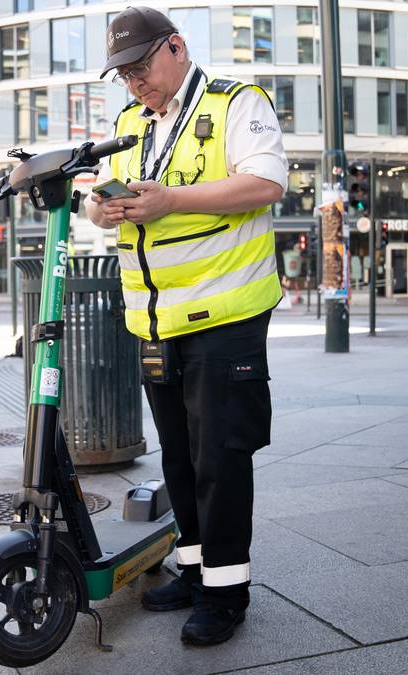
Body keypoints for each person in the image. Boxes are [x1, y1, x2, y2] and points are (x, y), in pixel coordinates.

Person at [85, 7, 288, 647]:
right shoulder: (128, 123)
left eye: (142, 66)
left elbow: (266, 183)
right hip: (156, 318)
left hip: (226, 315)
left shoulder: (236, 104)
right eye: (123, 74)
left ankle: (227, 594)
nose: (135, 83)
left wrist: (169, 199)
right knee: (178, 453)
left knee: (220, 456)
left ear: (176, 47)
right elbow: (103, 206)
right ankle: (197, 571)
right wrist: (101, 207)